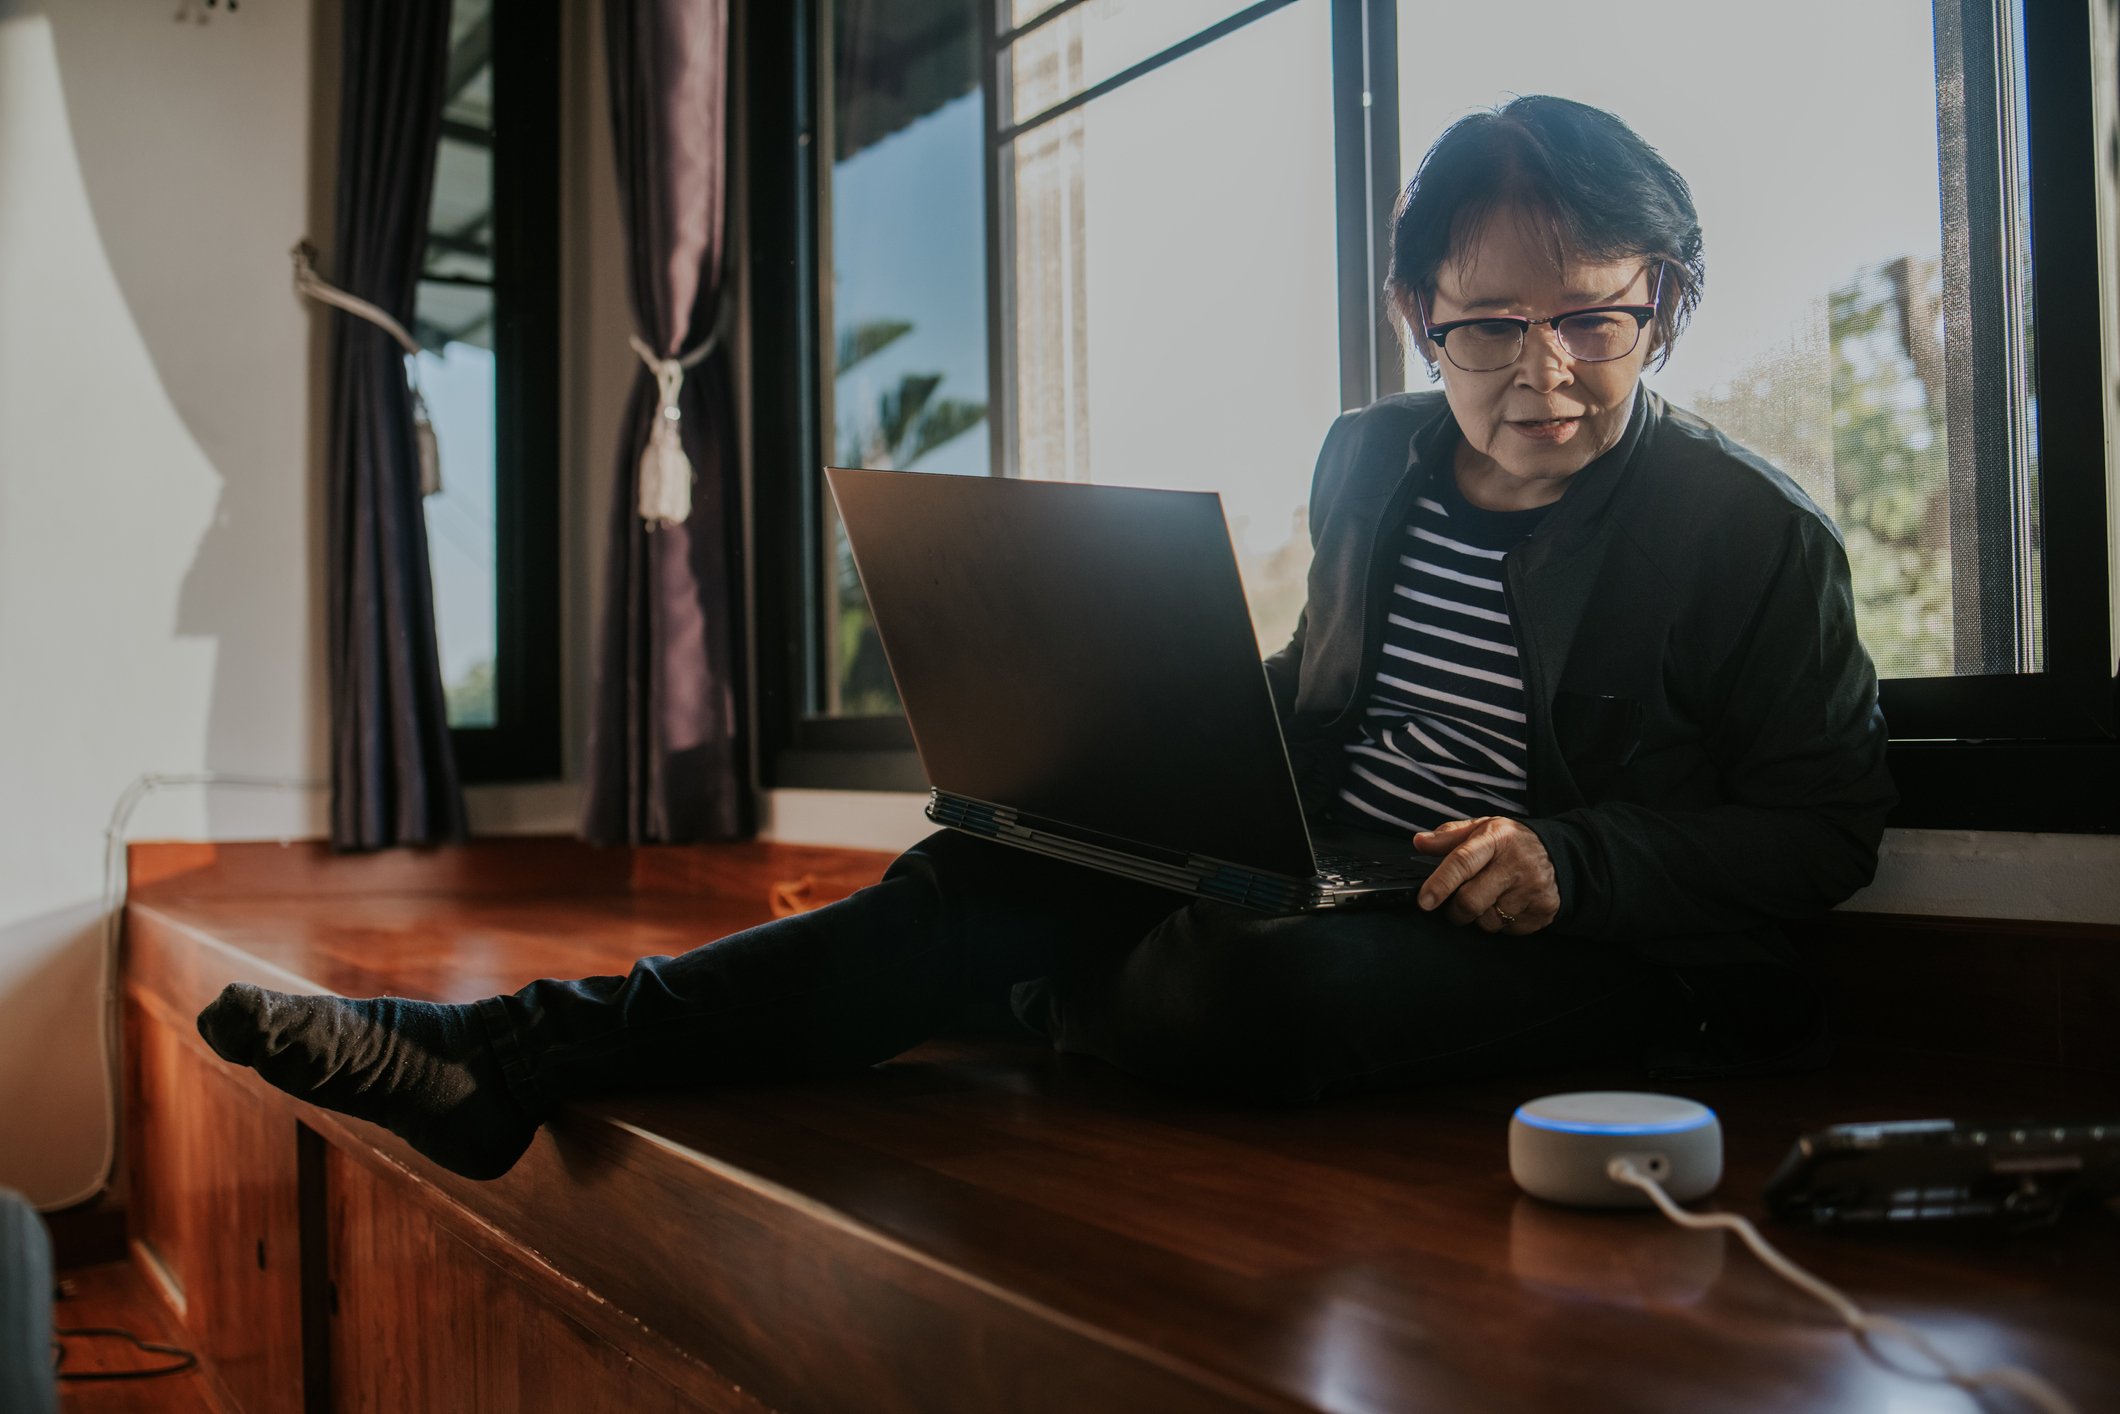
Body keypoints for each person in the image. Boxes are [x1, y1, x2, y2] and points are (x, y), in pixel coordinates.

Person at [195, 96, 1895, 1182]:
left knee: (1243, 985)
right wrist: (1122, 775)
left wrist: (1574, 861)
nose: (1545, 372)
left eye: (1595, 316)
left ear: (1662, 298)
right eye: (1488, 327)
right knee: (987, 856)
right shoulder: (1372, 456)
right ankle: (502, 1051)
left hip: (1554, 937)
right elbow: (1322, 705)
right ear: (1415, 314)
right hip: (1336, 863)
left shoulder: (1755, 537)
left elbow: (1822, 830)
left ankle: (975, 979)